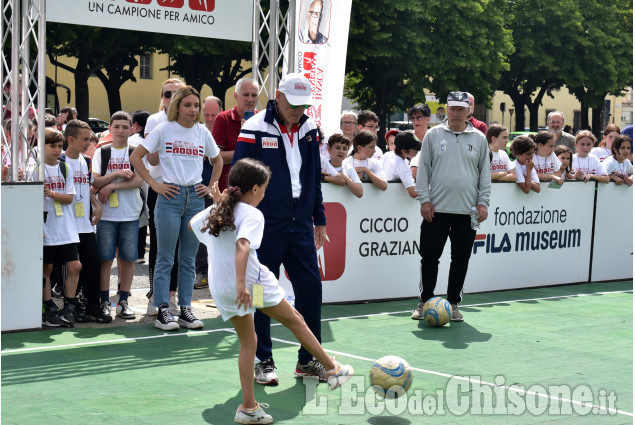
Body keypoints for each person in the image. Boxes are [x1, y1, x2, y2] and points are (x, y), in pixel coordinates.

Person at [190, 159, 353, 424]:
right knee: (294, 320)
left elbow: (192, 226)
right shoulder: (252, 214)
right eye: (264, 189)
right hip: (252, 285)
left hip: (223, 287)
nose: (264, 194)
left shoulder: (217, 210)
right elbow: (243, 245)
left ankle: (249, 407)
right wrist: (242, 283)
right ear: (254, 189)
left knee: (248, 342)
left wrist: (219, 205)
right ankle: (333, 369)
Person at [232, 72, 328, 386]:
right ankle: (263, 360)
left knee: (311, 289)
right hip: (264, 228)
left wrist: (319, 218)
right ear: (278, 96)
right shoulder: (254, 126)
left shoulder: (311, 127)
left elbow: (315, 177)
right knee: (261, 295)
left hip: (300, 227)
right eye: (294, 103)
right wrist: (243, 219)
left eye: (305, 104)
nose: (300, 110)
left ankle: (308, 360)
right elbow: (239, 180)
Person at [130, 86, 223, 331]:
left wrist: (210, 186)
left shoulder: (202, 131)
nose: (193, 110)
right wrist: (154, 184)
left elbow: (218, 160)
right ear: (177, 106)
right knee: (165, 258)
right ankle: (162, 310)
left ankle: (185, 309)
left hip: (194, 197)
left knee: (188, 259)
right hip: (169, 196)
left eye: (196, 106)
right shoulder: (163, 129)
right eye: (188, 105)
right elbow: (136, 157)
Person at [412, 91, 491, 323]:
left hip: (467, 212)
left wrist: (483, 203)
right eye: (452, 108)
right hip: (435, 209)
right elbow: (423, 170)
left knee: (460, 260)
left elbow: (484, 175)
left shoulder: (479, 138)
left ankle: (454, 303)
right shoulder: (433, 135)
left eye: (460, 109)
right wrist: (424, 200)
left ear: (469, 111)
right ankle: (424, 301)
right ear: (446, 109)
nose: (456, 113)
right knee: (429, 258)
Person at [92, 111, 144, 320]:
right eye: (117, 126)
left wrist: (112, 186)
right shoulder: (101, 152)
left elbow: (139, 181)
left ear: (131, 129)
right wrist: (115, 174)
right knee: (105, 260)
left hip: (130, 214)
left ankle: (123, 301)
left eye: (125, 127)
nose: (121, 131)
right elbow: (95, 182)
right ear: (110, 129)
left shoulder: (135, 152)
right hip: (107, 216)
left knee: (128, 259)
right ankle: (105, 300)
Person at [62, 120, 111, 323]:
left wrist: (96, 204)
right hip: (65, 225)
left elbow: (86, 188)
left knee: (93, 263)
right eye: (84, 139)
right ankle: (72, 305)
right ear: (70, 139)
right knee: (73, 267)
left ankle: (93, 304)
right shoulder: (61, 161)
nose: (88, 142)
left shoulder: (87, 161)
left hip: (85, 224)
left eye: (90, 139)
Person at [144, 78, 185, 315]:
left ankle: (172, 295)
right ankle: (155, 294)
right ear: (162, 97)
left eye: (177, 93)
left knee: (181, 247)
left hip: (184, 189)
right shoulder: (155, 120)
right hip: (161, 187)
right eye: (167, 94)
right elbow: (151, 159)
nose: (171, 98)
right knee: (160, 247)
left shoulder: (191, 120)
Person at [42, 128, 81, 327]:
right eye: (52, 146)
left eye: (59, 146)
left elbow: (69, 198)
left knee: (75, 265)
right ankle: (48, 307)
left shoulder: (65, 169)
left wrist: (52, 194)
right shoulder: (35, 168)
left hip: (65, 226)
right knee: (46, 268)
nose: (57, 150)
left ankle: (69, 305)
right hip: (46, 224)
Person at [193, 96, 224, 290]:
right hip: (202, 190)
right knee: (202, 232)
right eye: (207, 114)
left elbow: (225, 159)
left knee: (225, 233)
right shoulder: (197, 132)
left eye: (214, 114)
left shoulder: (228, 126)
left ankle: (223, 275)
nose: (211, 118)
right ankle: (202, 272)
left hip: (227, 187)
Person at [212, 79, 259, 192]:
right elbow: (215, 158)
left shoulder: (262, 120)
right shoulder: (223, 119)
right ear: (235, 96)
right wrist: (245, 148)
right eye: (245, 95)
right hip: (229, 189)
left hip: (256, 189)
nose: (250, 99)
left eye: (254, 95)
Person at [382, 131, 420, 198]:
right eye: (415, 149)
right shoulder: (402, 166)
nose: (418, 151)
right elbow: (413, 193)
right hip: (392, 201)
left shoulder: (387, 155)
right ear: (404, 151)